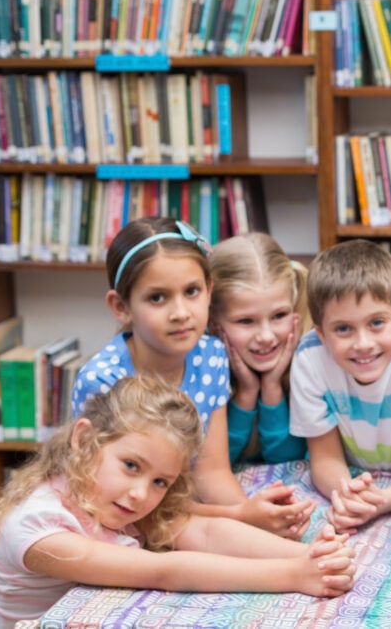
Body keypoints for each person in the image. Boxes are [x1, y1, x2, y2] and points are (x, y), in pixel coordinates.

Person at [0, 376, 355, 628]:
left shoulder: (105, 498)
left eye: (160, 481)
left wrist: (307, 556)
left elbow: (206, 532)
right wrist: (293, 576)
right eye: (131, 465)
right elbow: (162, 570)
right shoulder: (38, 527)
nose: (140, 494)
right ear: (85, 439)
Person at [72, 217, 314, 539]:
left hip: (185, 515)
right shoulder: (105, 382)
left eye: (191, 292)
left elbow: (211, 473)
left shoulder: (212, 356)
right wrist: (238, 516)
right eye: (157, 297)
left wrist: (255, 519)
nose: (181, 313)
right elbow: (116, 501)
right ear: (121, 306)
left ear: (208, 291)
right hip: (118, 522)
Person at [289, 239, 391, 532]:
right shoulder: (309, 357)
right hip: (354, 477)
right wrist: (346, 496)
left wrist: (381, 501)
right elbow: (325, 456)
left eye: (377, 323)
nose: (363, 344)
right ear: (320, 333)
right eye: (343, 329)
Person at [209, 232, 309, 465]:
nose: (266, 336)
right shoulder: (203, 366)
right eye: (245, 321)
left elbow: (289, 461)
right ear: (212, 323)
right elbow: (215, 465)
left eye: (279, 315)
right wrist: (246, 393)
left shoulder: (309, 358)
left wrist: (272, 387)